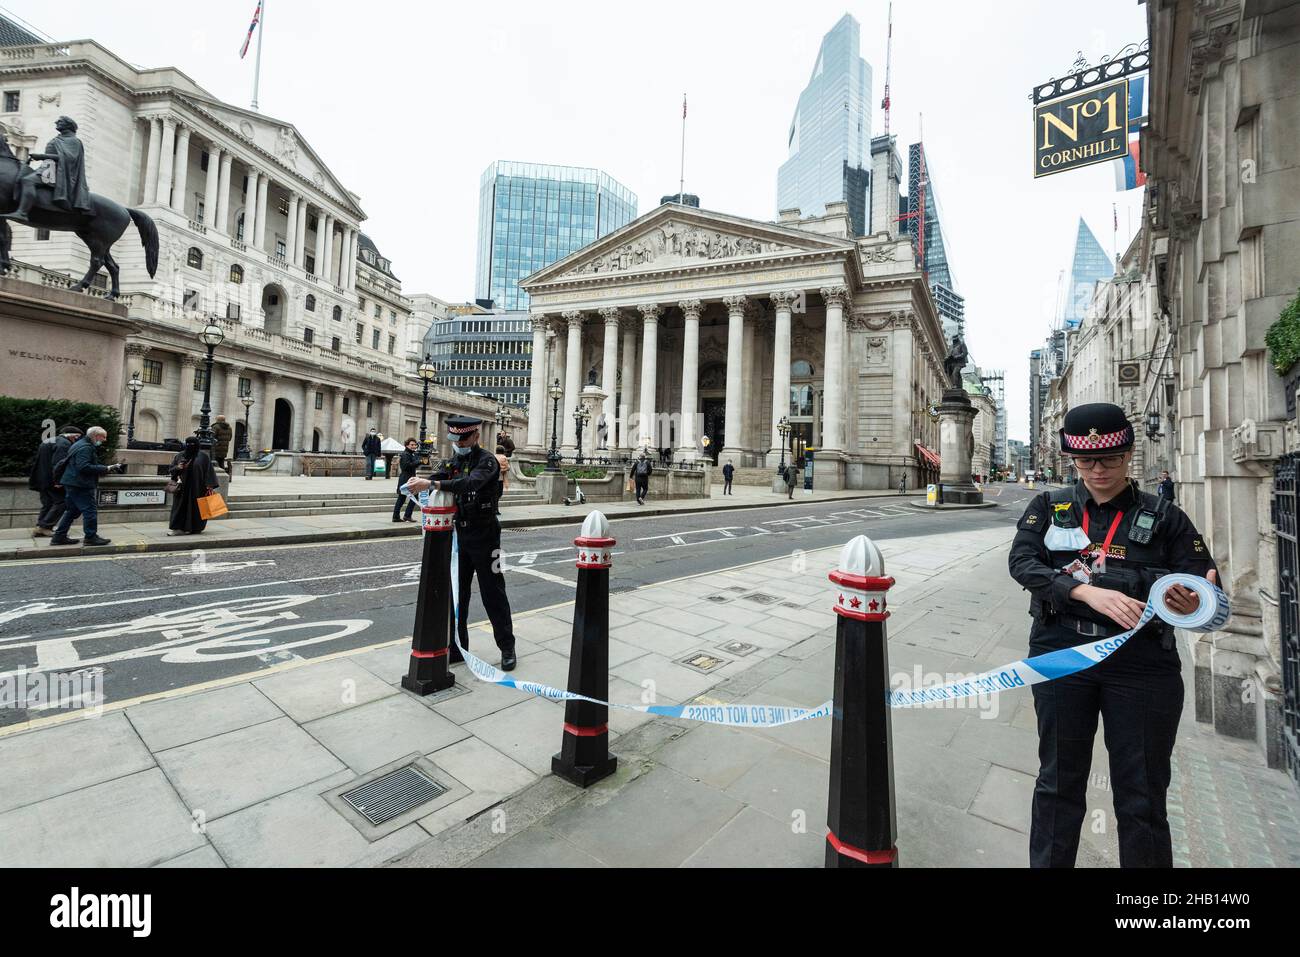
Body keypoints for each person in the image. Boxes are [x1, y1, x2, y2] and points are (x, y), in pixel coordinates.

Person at [1008, 402, 1219, 868]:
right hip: (1062, 653)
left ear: (1128, 455)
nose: (1098, 470)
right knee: (1058, 783)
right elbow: (1023, 563)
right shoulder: (1050, 506)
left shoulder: (1165, 516)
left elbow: (1205, 586)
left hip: (1142, 666)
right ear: (1073, 461)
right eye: (1086, 461)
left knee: (1141, 793)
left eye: (1110, 459)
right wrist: (1083, 592)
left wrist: (1190, 599)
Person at [405, 416, 517, 671]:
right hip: (460, 536)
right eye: (454, 439)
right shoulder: (454, 462)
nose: (459, 443)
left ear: (476, 436)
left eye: (463, 438)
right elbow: (441, 474)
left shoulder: (487, 461)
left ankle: (507, 647)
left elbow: (470, 483)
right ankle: (458, 646)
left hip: (486, 536)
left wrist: (431, 483)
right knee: (458, 595)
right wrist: (414, 484)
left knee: (494, 593)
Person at [3, 115, 94, 224]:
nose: (56, 122)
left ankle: (22, 213)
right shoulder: (60, 138)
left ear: (68, 125)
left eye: (60, 121)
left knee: (28, 181)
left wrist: (41, 156)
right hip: (47, 168)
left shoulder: (73, 141)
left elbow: (67, 159)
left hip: (57, 173)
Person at [50, 425, 123, 546]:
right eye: (103, 437)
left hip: (72, 482)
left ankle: (59, 536)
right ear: (95, 436)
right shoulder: (86, 447)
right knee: (90, 511)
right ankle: (90, 537)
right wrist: (106, 468)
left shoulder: (78, 444)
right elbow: (83, 466)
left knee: (72, 511)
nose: (104, 440)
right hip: (81, 484)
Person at [28, 423, 82, 537]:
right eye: (77, 437)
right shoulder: (64, 444)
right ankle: (45, 526)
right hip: (53, 480)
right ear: (73, 436)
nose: (77, 440)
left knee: (48, 503)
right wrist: (58, 481)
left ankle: (40, 527)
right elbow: (59, 464)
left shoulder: (49, 441)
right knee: (62, 502)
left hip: (41, 478)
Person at [167, 437, 220, 535]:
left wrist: (210, 485)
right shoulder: (179, 456)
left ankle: (196, 528)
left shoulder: (203, 457)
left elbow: (209, 471)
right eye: (188, 444)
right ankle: (178, 528)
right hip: (182, 488)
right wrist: (178, 467)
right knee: (180, 508)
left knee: (198, 508)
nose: (190, 446)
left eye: (193, 444)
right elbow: (171, 470)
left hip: (198, 488)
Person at [392, 438, 420, 523]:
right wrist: (418, 462)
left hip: (410, 478)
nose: (414, 446)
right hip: (405, 479)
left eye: (415, 445)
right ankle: (402, 516)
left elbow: (414, 464)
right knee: (403, 498)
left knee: (410, 497)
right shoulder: (405, 454)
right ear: (407, 445)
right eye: (412, 445)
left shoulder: (412, 454)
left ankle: (403, 516)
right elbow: (406, 466)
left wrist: (419, 460)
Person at [493, 444, 509, 516]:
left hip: (493, 479)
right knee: (498, 494)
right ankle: (495, 509)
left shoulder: (493, 456)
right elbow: (507, 467)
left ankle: (494, 508)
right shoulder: (504, 457)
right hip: (500, 479)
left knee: (494, 495)